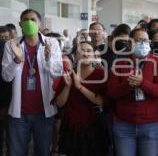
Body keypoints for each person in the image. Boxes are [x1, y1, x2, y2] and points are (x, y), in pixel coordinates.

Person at [1, 9, 63, 156]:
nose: (29, 23)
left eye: (33, 20)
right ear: (20, 24)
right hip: (19, 113)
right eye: (25, 20)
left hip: (44, 111)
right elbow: (6, 76)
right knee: (16, 152)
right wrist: (17, 60)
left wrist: (47, 59)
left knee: (42, 151)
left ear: (40, 22)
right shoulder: (11, 44)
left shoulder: (52, 43)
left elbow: (57, 73)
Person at [108, 28, 158, 156]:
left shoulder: (157, 62)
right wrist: (128, 84)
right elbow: (111, 92)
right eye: (138, 40)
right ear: (130, 43)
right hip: (124, 124)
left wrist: (141, 83)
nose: (142, 43)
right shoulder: (119, 63)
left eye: (145, 40)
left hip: (151, 125)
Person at [53, 41, 109, 156]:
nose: (85, 54)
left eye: (89, 51)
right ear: (75, 55)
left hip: (93, 124)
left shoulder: (101, 74)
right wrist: (68, 87)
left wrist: (79, 87)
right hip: (71, 125)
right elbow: (59, 103)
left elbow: (101, 101)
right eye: (81, 51)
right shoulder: (68, 74)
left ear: (94, 55)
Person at [0, 26, 11, 156]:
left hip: (9, 103)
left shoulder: (14, 52)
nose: (3, 41)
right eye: (0, 38)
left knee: (11, 138)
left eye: (6, 38)